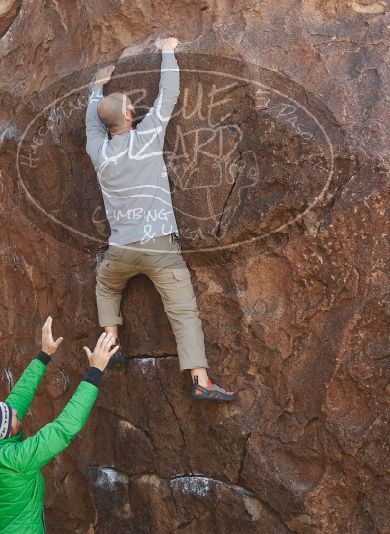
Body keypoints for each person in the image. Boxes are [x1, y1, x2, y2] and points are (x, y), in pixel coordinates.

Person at [84, 37, 237, 402]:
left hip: (120, 250)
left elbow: (92, 122)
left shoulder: (97, 151)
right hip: (159, 246)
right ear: (128, 117)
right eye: (131, 107)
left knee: (106, 285)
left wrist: (96, 87)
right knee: (183, 311)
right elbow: (167, 95)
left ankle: (112, 343)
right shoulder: (147, 139)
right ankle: (200, 379)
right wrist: (168, 51)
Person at [0, 317, 119, 533]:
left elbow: (16, 400)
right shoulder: (17, 460)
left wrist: (44, 355)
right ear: (5, 433)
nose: (17, 412)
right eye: (14, 417)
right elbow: (62, 429)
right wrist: (95, 372)